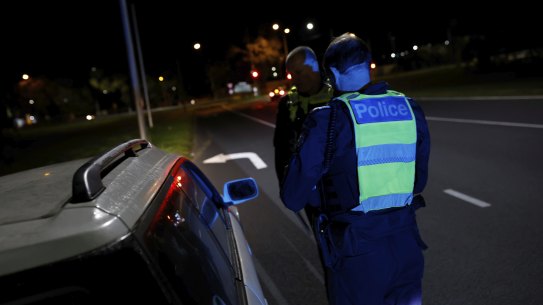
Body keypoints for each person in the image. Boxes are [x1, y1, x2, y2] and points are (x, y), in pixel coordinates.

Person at [280, 33, 430, 305]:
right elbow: (418, 182)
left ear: (334, 74)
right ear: (368, 65)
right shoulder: (410, 108)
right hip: (407, 243)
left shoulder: (327, 119)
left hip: (357, 253)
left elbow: (293, 197)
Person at [273, 46, 332, 184]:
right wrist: (285, 184)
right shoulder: (287, 104)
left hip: (337, 182)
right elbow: (281, 150)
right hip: (307, 184)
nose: (295, 80)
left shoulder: (336, 96)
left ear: (315, 67)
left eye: (298, 72)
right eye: (291, 75)